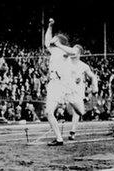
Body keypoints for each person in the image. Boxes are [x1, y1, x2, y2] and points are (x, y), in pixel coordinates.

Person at [44, 18, 78, 146]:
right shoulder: (54, 50)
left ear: (59, 41)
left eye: (56, 38)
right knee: (48, 113)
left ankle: (64, 134)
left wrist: (58, 44)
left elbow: (74, 51)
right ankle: (59, 139)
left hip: (60, 84)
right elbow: (47, 40)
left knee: (51, 112)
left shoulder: (62, 51)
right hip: (53, 84)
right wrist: (50, 27)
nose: (53, 39)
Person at [65, 44, 98, 140]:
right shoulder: (66, 62)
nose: (72, 53)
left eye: (75, 51)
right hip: (65, 89)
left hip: (78, 91)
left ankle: (72, 131)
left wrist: (94, 86)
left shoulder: (84, 66)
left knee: (77, 111)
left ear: (79, 54)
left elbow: (93, 76)